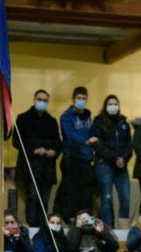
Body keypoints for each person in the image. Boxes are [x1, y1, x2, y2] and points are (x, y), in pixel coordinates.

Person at [12, 89, 61, 227]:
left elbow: (58, 142)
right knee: (32, 196)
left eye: (45, 100)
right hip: (30, 164)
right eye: (40, 99)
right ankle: (32, 225)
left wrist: (54, 151)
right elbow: (16, 141)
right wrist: (33, 150)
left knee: (45, 198)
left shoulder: (51, 121)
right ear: (34, 100)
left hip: (47, 165)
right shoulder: (23, 118)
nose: (42, 102)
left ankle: (43, 225)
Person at [90, 94, 133, 226]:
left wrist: (123, 159)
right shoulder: (98, 121)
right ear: (105, 106)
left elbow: (129, 146)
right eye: (110, 104)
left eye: (115, 104)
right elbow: (98, 145)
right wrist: (115, 158)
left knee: (125, 199)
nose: (113, 106)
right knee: (106, 199)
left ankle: (123, 229)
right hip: (104, 165)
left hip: (121, 166)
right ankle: (107, 230)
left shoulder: (124, 123)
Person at [56, 86, 96, 223]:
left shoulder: (88, 116)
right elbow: (70, 135)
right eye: (79, 98)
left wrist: (93, 141)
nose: (81, 101)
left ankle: (86, 220)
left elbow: (92, 133)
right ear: (73, 99)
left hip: (86, 159)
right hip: (71, 158)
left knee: (86, 193)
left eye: (84, 99)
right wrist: (86, 141)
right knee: (71, 191)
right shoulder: (66, 117)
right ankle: (71, 219)